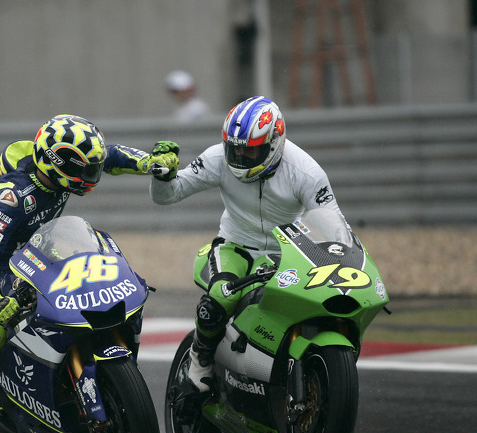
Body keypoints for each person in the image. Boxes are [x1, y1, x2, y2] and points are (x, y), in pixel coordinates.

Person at [0, 114, 180, 415]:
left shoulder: (57, 172)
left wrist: (147, 163)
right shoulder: (14, 196)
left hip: (40, 249)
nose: (93, 175)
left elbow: (110, 155)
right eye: (86, 170)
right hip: (1, 266)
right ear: (57, 163)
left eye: (93, 168)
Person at [149, 96, 348, 393]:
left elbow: (335, 224)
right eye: (235, 150)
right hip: (235, 246)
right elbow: (167, 195)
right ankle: (199, 360)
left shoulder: (307, 171)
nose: (239, 159)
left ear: (274, 143)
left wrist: (341, 263)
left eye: (250, 152)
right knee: (218, 299)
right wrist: (162, 177)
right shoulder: (218, 158)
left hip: (287, 252)